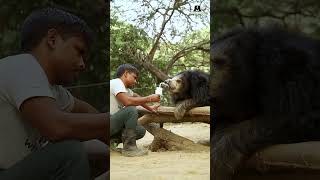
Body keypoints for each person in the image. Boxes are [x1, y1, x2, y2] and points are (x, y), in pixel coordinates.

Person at [0, 8, 108, 180]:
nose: (82, 64)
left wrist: (119, 143)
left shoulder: (54, 91)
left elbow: (87, 112)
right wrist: (118, 119)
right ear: (52, 39)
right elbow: (57, 127)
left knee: (101, 151)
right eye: (79, 51)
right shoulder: (22, 66)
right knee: (70, 153)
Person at [110, 64, 160, 156]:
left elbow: (137, 97)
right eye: (134, 77)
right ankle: (129, 149)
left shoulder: (126, 90)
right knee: (131, 109)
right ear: (125, 74)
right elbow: (128, 102)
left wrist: (150, 108)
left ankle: (111, 142)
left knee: (140, 131)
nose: (135, 81)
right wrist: (149, 98)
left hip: (112, 123)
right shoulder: (117, 82)